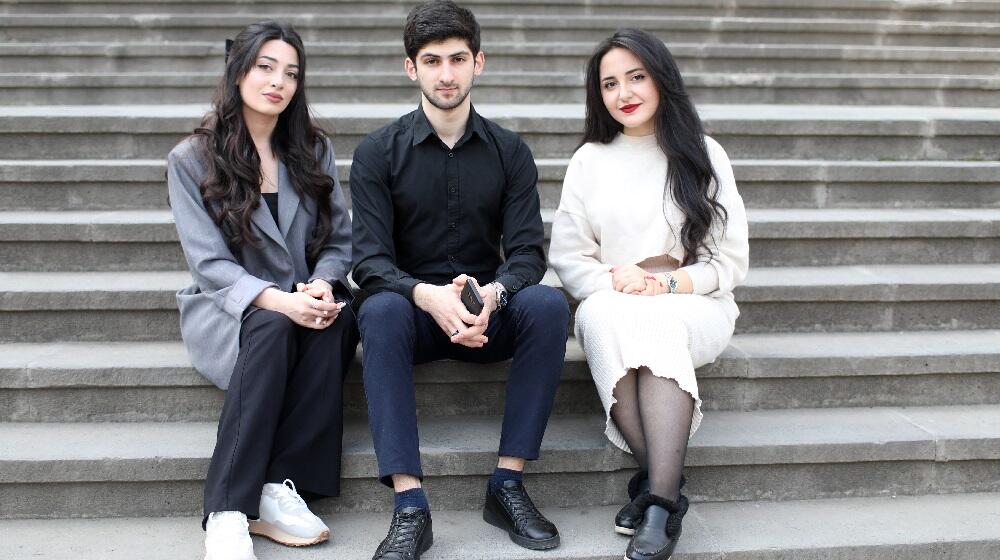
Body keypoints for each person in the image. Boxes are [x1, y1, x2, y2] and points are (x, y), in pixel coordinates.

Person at [349, 1, 570, 558]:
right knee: (376, 307)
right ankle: (410, 505)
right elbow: (370, 262)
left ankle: (507, 484)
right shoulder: (377, 152)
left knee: (546, 304)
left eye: (456, 59)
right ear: (411, 69)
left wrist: (494, 296)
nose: (445, 74)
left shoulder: (510, 151)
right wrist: (425, 296)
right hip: (414, 320)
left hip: (487, 313)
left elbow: (526, 254)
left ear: (478, 63)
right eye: (431, 61)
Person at [549, 28, 750, 560]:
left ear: (661, 78)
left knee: (655, 325)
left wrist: (660, 284)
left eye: (636, 77)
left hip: (693, 305)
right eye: (609, 83)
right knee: (607, 319)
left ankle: (657, 498)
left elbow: (727, 262)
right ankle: (667, 493)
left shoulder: (703, 154)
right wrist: (617, 281)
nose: (623, 93)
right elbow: (570, 258)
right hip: (610, 300)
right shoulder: (589, 160)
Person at [166, 20, 357, 560]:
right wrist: (279, 300)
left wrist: (320, 285)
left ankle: (280, 484)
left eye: (291, 73)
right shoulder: (191, 159)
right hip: (228, 311)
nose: (278, 82)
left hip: (298, 298)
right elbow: (208, 263)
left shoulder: (311, 150)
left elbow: (339, 241)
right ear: (239, 71)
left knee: (339, 314)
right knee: (274, 320)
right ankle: (227, 510)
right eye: (265, 67)